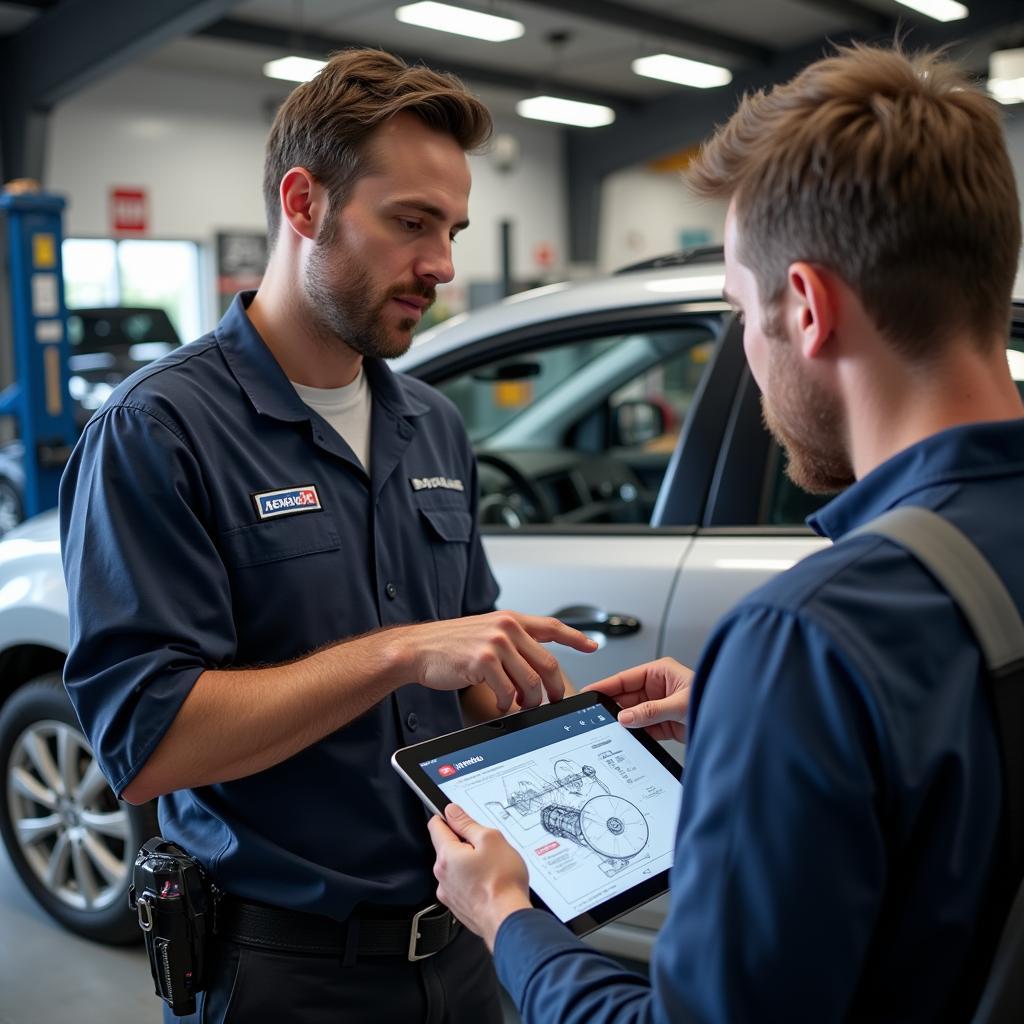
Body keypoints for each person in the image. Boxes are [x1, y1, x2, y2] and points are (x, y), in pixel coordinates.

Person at [429, 43, 1024, 1023]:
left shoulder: (812, 636)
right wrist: (778, 736)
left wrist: (510, 918)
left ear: (805, 306)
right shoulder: (836, 659)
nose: (749, 354)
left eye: (742, 314)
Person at [59, 48, 596, 1024]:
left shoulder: (431, 424)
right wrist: (396, 653)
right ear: (302, 202)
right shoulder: (156, 431)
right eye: (410, 223)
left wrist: (560, 715)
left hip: (467, 946)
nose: (441, 263)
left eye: (452, 230)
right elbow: (148, 743)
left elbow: (456, 677)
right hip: (282, 973)